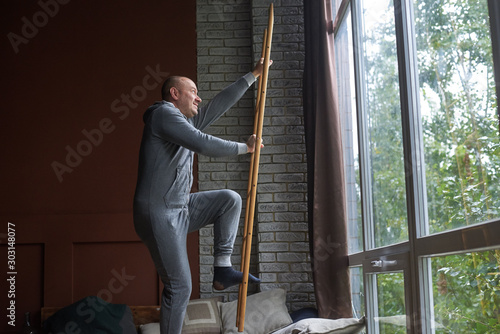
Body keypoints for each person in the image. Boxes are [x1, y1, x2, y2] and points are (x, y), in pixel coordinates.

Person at [133, 58, 270, 334]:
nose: (199, 97)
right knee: (180, 285)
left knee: (229, 200)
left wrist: (253, 75)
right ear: (175, 94)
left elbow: (217, 105)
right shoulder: (163, 115)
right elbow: (203, 143)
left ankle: (222, 269)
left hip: (180, 209)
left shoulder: (182, 122)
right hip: (158, 212)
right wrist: (245, 148)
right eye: (193, 91)